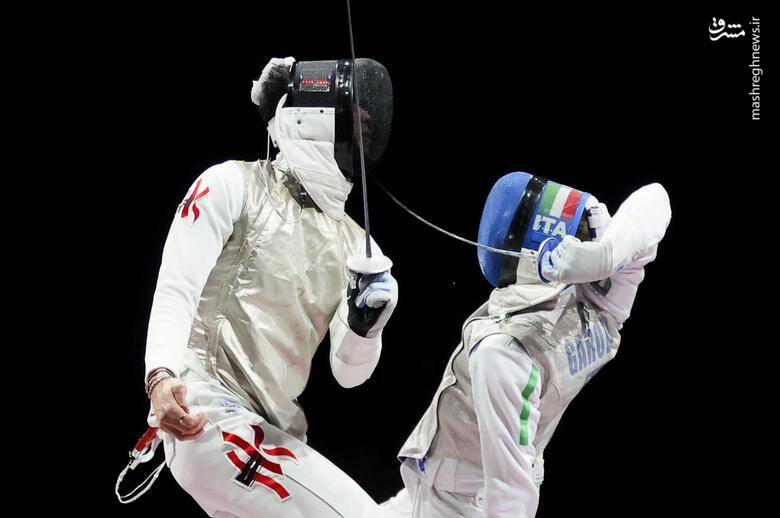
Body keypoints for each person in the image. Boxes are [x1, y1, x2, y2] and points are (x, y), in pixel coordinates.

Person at [138, 56, 398, 517]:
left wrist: (366, 329)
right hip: (210, 414)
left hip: (275, 433)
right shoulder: (232, 184)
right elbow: (176, 287)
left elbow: (348, 374)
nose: (366, 122)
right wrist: (160, 376)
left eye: (369, 116)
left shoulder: (358, 246)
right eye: (355, 110)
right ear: (312, 115)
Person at [377, 173, 671, 517]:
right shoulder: (601, 306)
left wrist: (599, 254)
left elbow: (510, 493)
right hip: (437, 494)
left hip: (456, 505)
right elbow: (656, 198)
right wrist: (605, 253)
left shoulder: (504, 350)